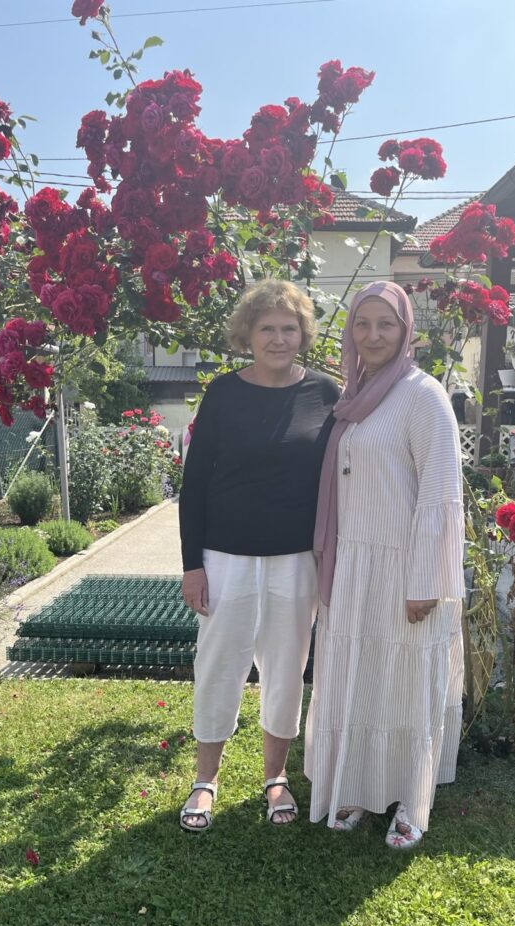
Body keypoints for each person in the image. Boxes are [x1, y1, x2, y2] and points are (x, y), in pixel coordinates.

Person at [306, 280, 465, 850]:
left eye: (386, 325)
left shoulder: (423, 396)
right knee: (356, 675)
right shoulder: (355, 393)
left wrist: (426, 582)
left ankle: (409, 800)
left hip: (404, 570)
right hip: (353, 564)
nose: (372, 335)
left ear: (406, 332)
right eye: (362, 324)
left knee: (405, 683)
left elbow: (442, 495)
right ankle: (354, 783)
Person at [178, 279, 340, 832]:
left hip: (297, 559)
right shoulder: (223, 393)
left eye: (288, 327)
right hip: (224, 557)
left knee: (286, 670)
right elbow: (194, 483)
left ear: (303, 333)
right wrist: (191, 564)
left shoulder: (325, 394)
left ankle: (276, 778)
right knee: (218, 666)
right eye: (267, 327)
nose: (278, 338)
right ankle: (206, 780)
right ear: (247, 333)